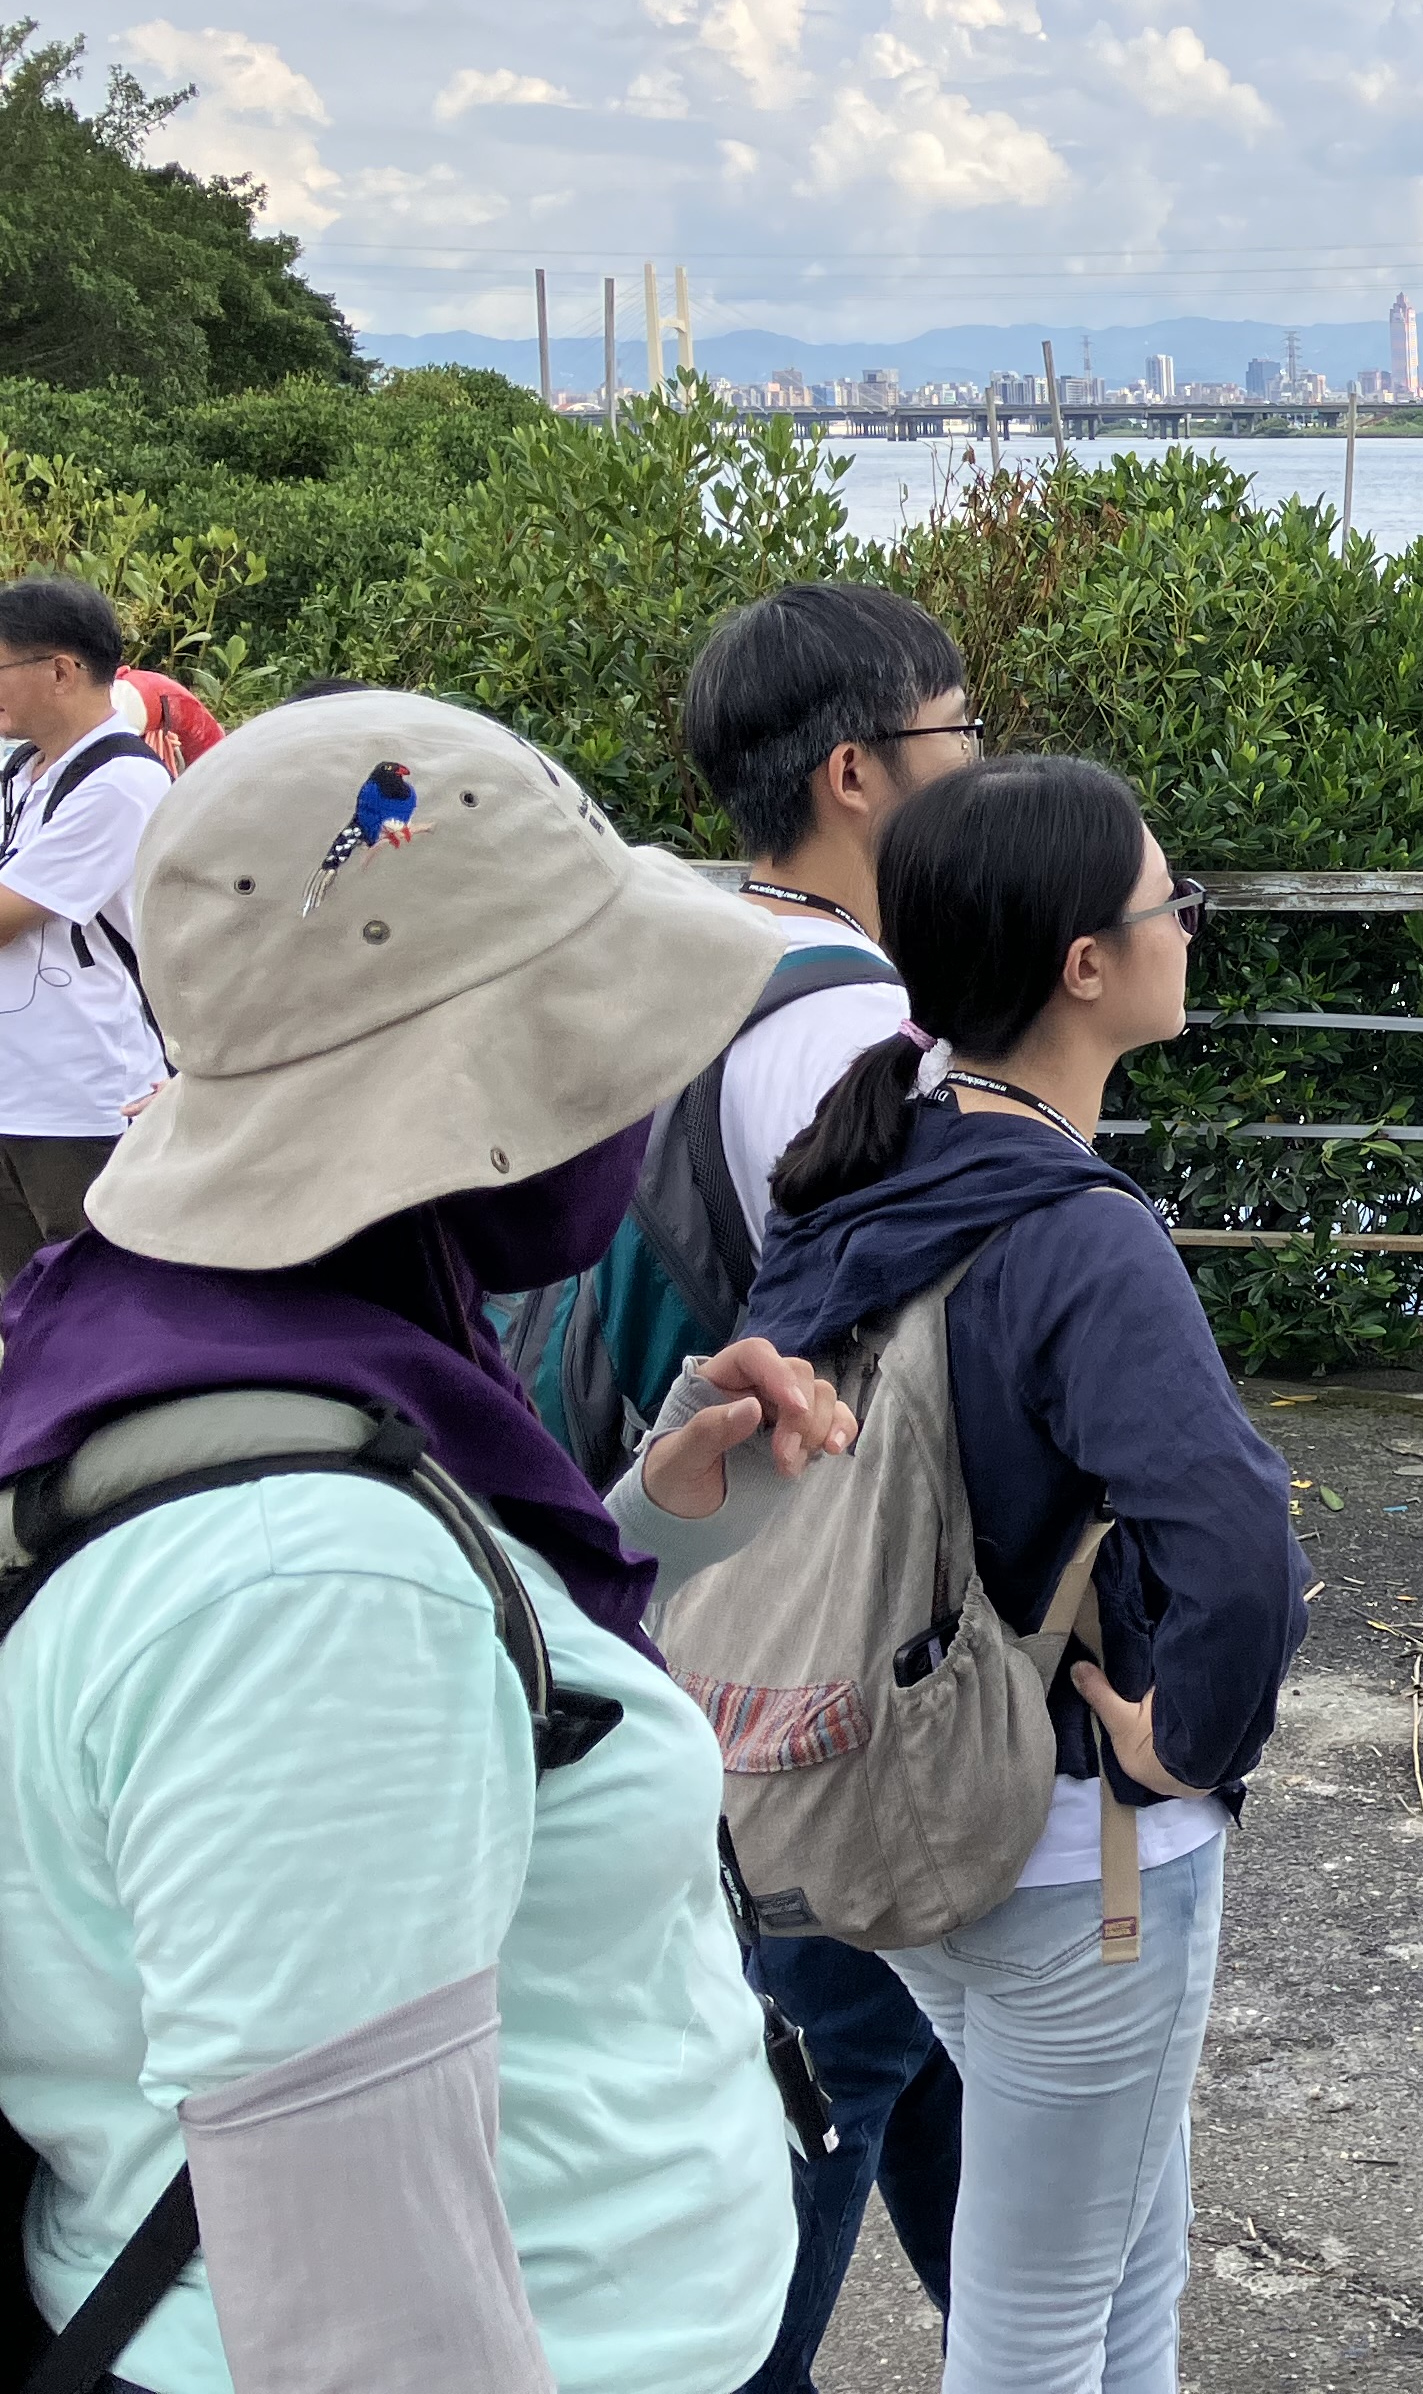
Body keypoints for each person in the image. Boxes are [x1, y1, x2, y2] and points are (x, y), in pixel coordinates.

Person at [0, 688, 851, 2393]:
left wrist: (645, 1529)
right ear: (478, 1088)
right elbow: (362, 2321)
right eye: (598, 1035)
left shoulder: (221, 1337)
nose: (639, 1090)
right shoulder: (310, 1588)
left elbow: (445, 1732)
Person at [739, 758, 1308, 2394]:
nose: (1189, 926)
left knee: (1122, 2272)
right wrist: (1185, 1741)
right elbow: (1237, 1543)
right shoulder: (1077, 1229)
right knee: (1044, 2324)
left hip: (899, 1809)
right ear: (1084, 963)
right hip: (1080, 1858)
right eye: (1172, 904)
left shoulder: (861, 1164)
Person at [674, 584, 981, 2394]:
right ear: (857, 771)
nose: (982, 762)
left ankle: (1031, 2351)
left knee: (934, 2060)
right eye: (960, 730)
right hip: (833, 1622)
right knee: (840, 2043)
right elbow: (902, 1361)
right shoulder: (854, 1025)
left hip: (719, 1580)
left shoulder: (708, 951)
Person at [0, 577, 177, 1284]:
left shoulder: (120, 783)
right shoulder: (21, 774)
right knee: (22, 1311)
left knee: (96, 1305)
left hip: (83, 1103)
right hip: (15, 1091)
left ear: (60, 670)